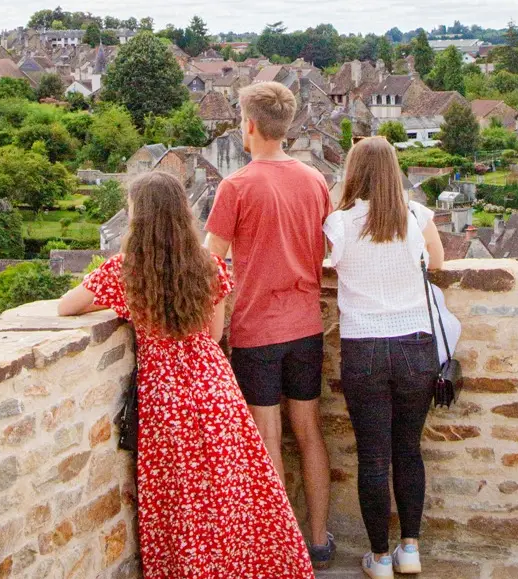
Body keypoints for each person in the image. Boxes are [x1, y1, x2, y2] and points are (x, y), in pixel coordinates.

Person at [58, 171, 315, 579]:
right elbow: (213, 335)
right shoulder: (208, 265)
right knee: (231, 490)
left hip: (165, 395)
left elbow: (67, 307)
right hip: (214, 387)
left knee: (181, 497)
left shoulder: (125, 271)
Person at [204, 81, 335, 569]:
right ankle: (318, 541)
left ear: (251, 125)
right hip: (306, 327)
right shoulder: (315, 180)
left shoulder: (236, 186)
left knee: (268, 440)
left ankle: (282, 552)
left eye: (241, 119)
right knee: (310, 432)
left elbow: (211, 262)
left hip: (258, 329)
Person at [323, 137, 444, 578]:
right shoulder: (416, 215)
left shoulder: (339, 223)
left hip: (365, 345)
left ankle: (377, 556)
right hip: (415, 341)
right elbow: (437, 261)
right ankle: (409, 547)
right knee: (408, 450)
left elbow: (329, 263)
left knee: (373, 456)